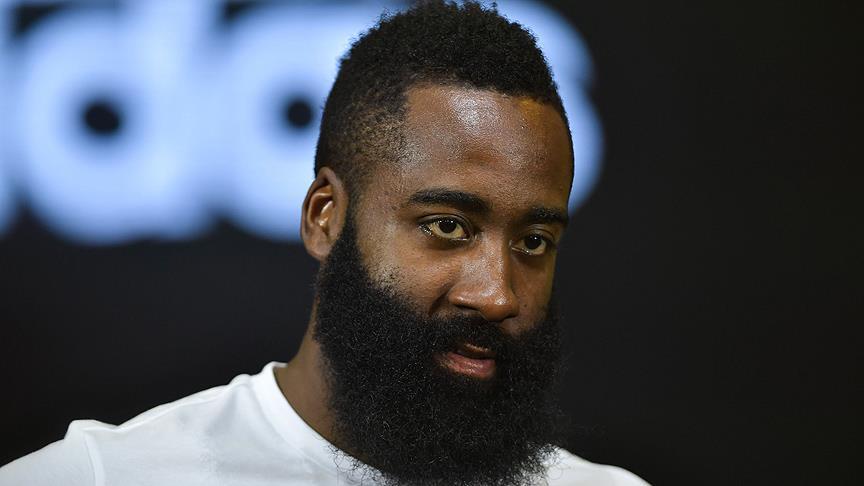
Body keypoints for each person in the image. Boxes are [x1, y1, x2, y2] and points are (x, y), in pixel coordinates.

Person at [0, 2, 648, 485]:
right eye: (447, 226)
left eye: (533, 241)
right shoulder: (108, 476)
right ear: (324, 218)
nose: (497, 294)